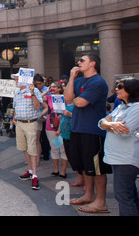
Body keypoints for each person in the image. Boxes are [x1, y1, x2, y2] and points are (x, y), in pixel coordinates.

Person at [64, 53, 110, 213]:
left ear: (93, 63)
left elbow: (81, 102)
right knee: (85, 166)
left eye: (82, 60)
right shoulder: (78, 81)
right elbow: (68, 98)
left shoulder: (98, 82)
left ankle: (101, 201)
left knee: (96, 168)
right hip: (77, 128)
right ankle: (89, 195)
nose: (78, 62)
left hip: (93, 130)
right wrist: (71, 78)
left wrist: (76, 98)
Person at [98, 77, 139, 216]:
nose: (116, 89)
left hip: (126, 158)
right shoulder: (121, 106)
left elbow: (124, 132)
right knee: (129, 194)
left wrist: (109, 124)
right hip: (116, 157)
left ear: (131, 90)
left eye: (120, 87)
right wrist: (111, 124)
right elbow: (101, 122)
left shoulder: (137, 108)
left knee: (123, 196)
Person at [12, 72, 43, 190]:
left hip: (30, 123)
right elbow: (15, 107)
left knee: (32, 149)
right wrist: (14, 117)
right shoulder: (17, 93)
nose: (15, 81)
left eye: (16, 79)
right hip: (19, 123)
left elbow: (37, 107)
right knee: (24, 148)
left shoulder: (34, 91)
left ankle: (35, 175)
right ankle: (30, 171)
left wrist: (32, 93)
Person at [44, 82, 68, 178]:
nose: (52, 88)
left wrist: (59, 129)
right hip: (50, 123)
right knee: (54, 147)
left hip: (62, 123)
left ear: (59, 89)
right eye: (51, 86)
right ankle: (56, 169)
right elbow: (39, 99)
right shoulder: (49, 97)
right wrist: (46, 91)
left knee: (63, 148)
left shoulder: (64, 98)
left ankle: (63, 171)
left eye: (54, 87)